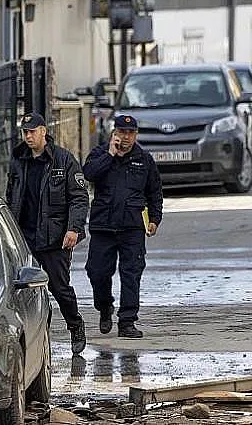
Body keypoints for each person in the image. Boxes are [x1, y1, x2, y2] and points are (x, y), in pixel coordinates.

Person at [5, 112, 89, 355]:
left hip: (54, 238)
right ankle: (38, 335)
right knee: (25, 290)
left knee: (59, 288)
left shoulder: (63, 160)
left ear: (43, 131)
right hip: (25, 238)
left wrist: (74, 228)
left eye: (32, 131)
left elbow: (79, 198)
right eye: (25, 132)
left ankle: (75, 325)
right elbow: (11, 196)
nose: (28, 136)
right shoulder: (19, 160)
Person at [82, 114, 163, 339]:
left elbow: (155, 192)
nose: (125, 137)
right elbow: (89, 173)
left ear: (135, 135)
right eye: (121, 132)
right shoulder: (100, 154)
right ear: (114, 133)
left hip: (132, 227)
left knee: (131, 274)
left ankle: (127, 321)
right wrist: (110, 154)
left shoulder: (144, 160)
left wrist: (155, 219)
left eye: (130, 133)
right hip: (103, 226)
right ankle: (105, 306)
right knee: (96, 272)